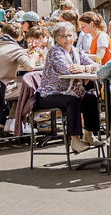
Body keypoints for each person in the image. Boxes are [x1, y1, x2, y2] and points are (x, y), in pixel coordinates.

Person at [34, 22, 103, 154]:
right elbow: (67, 70)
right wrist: (86, 68)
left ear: (75, 36)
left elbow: (96, 65)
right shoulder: (55, 52)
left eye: (70, 36)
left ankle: (88, 134)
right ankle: (75, 140)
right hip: (50, 94)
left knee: (91, 98)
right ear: (57, 38)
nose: (67, 39)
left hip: (69, 91)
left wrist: (84, 68)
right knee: (73, 101)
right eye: (63, 36)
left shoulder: (76, 51)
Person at [0, 22, 36, 100]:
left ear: (2, 33)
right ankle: (21, 112)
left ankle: (14, 112)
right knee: (31, 88)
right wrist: (33, 59)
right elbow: (30, 67)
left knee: (20, 83)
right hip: (0, 89)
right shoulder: (16, 50)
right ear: (19, 36)